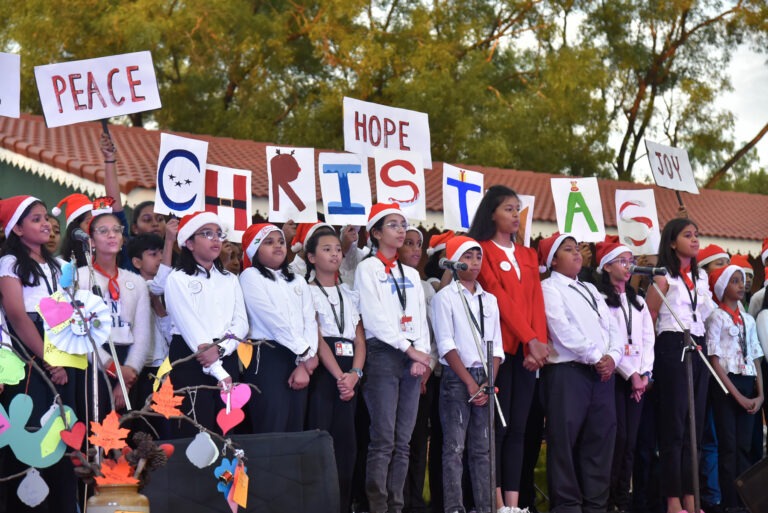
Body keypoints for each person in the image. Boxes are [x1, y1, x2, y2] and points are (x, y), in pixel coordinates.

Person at [466, 185, 548, 513]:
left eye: (517, 209)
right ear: (492, 214)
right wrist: (530, 339)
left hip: (528, 354)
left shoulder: (528, 255)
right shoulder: (482, 250)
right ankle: (494, 502)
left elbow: (535, 302)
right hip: (500, 351)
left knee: (519, 429)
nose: (515, 215)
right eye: (508, 209)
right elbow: (501, 300)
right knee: (496, 428)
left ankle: (513, 505)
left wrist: (537, 347)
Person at [0, 195, 78, 513]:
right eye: (35, 219)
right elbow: (17, 315)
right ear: (16, 229)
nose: (45, 223)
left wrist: (64, 358)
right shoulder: (10, 263)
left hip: (65, 350)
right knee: (32, 430)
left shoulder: (60, 266)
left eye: (46, 217)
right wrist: (48, 359)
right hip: (30, 354)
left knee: (63, 430)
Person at [354, 203, 431, 513]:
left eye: (403, 224)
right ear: (375, 232)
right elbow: (373, 317)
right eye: (393, 225)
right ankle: (377, 505)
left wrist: (421, 355)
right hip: (384, 354)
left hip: (411, 354)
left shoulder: (411, 273)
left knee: (404, 441)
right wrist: (408, 348)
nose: (401, 230)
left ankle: (396, 506)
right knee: (383, 438)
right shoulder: (367, 268)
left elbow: (421, 317)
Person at [539, 232, 622, 513]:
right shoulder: (549, 288)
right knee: (564, 441)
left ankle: (596, 505)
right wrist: (597, 355)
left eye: (578, 249)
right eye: (568, 249)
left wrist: (613, 356)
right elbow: (561, 330)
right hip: (568, 373)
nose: (577, 254)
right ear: (553, 259)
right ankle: (567, 506)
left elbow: (612, 328)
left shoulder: (591, 289)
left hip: (601, 374)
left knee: (600, 440)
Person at [645, 218, 716, 513]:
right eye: (688, 235)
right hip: (672, 348)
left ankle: (692, 496)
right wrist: (647, 363)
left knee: (694, 428)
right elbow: (649, 317)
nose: (695, 239)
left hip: (697, 346)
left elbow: (707, 313)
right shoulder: (663, 277)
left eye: (697, 234)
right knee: (674, 428)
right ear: (672, 242)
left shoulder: (700, 278)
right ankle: (673, 500)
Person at [432, 236, 504, 513]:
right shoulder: (444, 297)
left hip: (485, 376)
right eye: (468, 256)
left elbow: (496, 346)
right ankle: (454, 507)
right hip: (457, 377)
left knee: (483, 448)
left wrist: (488, 382)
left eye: (478, 256)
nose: (474, 262)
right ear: (454, 260)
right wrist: (470, 382)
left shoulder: (490, 300)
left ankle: (485, 507)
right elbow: (446, 344)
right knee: (454, 448)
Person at [164, 212, 248, 436]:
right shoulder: (177, 278)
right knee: (195, 428)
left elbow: (241, 322)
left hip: (224, 353)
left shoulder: (229, 279)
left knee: (227, 428)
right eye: (207, 234)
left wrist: (221, 350)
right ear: (189, 243)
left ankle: (226, 473)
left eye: (219, 235)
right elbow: (190, 325)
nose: (216, 240)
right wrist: (218, 370)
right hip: (192, 357)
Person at [304, 226, 366, 513]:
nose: (334, 254)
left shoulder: (349, 293)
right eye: (326, 249)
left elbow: (359, 338)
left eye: (337, 249)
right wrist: (339, 376)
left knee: (347, 444)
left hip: (350, 373)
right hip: (324, 372)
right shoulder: (305, 291)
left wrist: (354, 375)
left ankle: (342, 504)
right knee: (321, 439)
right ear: (311, 257)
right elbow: (316, 337)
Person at [239, 222, 319, 433]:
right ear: (255, 249)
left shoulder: (298, 281)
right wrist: (305, 353)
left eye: (281, 241)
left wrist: (306, 359)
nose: (278, 246)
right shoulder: (250, 277)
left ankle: (289, 468)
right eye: (269, 242)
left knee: (295, 424)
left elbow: (309, 320)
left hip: (299, 357)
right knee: (271, 423)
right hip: (267, 356)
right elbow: (272, 320)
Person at [595, 241, 655, 513]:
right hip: (615, 378)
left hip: (638, 381)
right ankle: (607, 500)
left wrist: (643, 373)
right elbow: (610, 341)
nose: (628, 265)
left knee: (631, 441)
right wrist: (630, 374)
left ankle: (623, 497)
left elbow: (647, 340)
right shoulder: (600, 300)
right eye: (622, 260)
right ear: (607, 266)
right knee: (615, 440)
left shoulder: (639, 301)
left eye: (631, 260)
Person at [77, 198, 151, 414]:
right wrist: (112, 367)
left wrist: (129, 372)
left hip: (128, 360)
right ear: (91, 241)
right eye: (103, 231)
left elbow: (142, 332)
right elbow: (80, 332)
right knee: (95, 430)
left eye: (116, 230)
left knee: (126, 432)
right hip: (93, 362)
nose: (111, 235)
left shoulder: (135, 281)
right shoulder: (81, 278)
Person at [706, 265, 764, 513]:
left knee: (744, 446)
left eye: (743, 281)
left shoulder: (749, 320)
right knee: (728, 447)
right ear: (722, 287)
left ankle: (745, 502)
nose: (742, 285)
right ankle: (729, 502)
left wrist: (760, 394)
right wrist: (737, 395)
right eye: (735, 281)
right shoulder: (715, 317)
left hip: (748, 384)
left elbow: (756, 357)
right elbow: (714, 360)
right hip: (726, 386)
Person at [400, 226, 442, 513]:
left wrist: (428, 366)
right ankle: (396, 500)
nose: (416, 249)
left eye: (420, 244)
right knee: (396, 441)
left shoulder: (427, 287)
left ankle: (416, 500)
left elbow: (434, 333)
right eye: (409, 243)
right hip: (398, 369)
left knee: (418, 440)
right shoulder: (384, 278)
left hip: (425, 373)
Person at [127, 233, 173, 433]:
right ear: (137, 262)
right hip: (144, 368)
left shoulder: (170, 290)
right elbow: (158, 284)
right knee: (144, 427)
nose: (161, 259)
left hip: (165, 367)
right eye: (154, 254)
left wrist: (162, 311)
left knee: (166, 427)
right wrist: (170, 240)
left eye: (163, 253)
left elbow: (171, 331)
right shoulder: (135, 287)